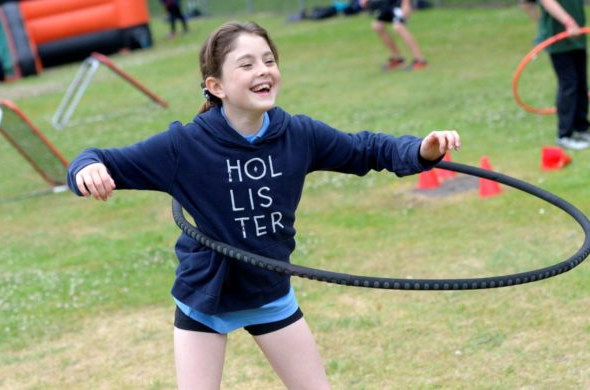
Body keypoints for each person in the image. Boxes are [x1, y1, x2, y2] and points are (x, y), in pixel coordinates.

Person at [67, 21, 461, 388]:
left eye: (269, 61)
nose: (263, 71)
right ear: (216, 85)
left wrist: (420, 150)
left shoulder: (299, 135)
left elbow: (366, 150)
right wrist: (87, 170)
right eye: (247, 64)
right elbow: (100, 159)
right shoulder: (184, 147)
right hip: (207, 297)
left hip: (268, 292)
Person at [538, 0, 590, 150]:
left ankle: (581, 128)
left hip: (578, 37)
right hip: (560, 38)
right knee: (569, 85)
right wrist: (568, 22)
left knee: (581, 83)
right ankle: (564, 135)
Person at [360, 0, 428, 71]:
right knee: (377, 26)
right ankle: (397, 59)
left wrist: (406, 4)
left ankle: (420, 60)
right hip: (387, 2)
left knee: (398, 27)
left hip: (399, 2)